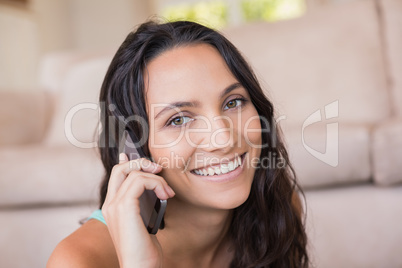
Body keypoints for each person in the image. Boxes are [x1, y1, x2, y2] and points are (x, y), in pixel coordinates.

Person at [47, 20, 309, 268]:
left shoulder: (277, 209)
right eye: (179, 119)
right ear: (134, 148)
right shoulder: (79, 260)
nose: (224, 138)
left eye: (233, 102)